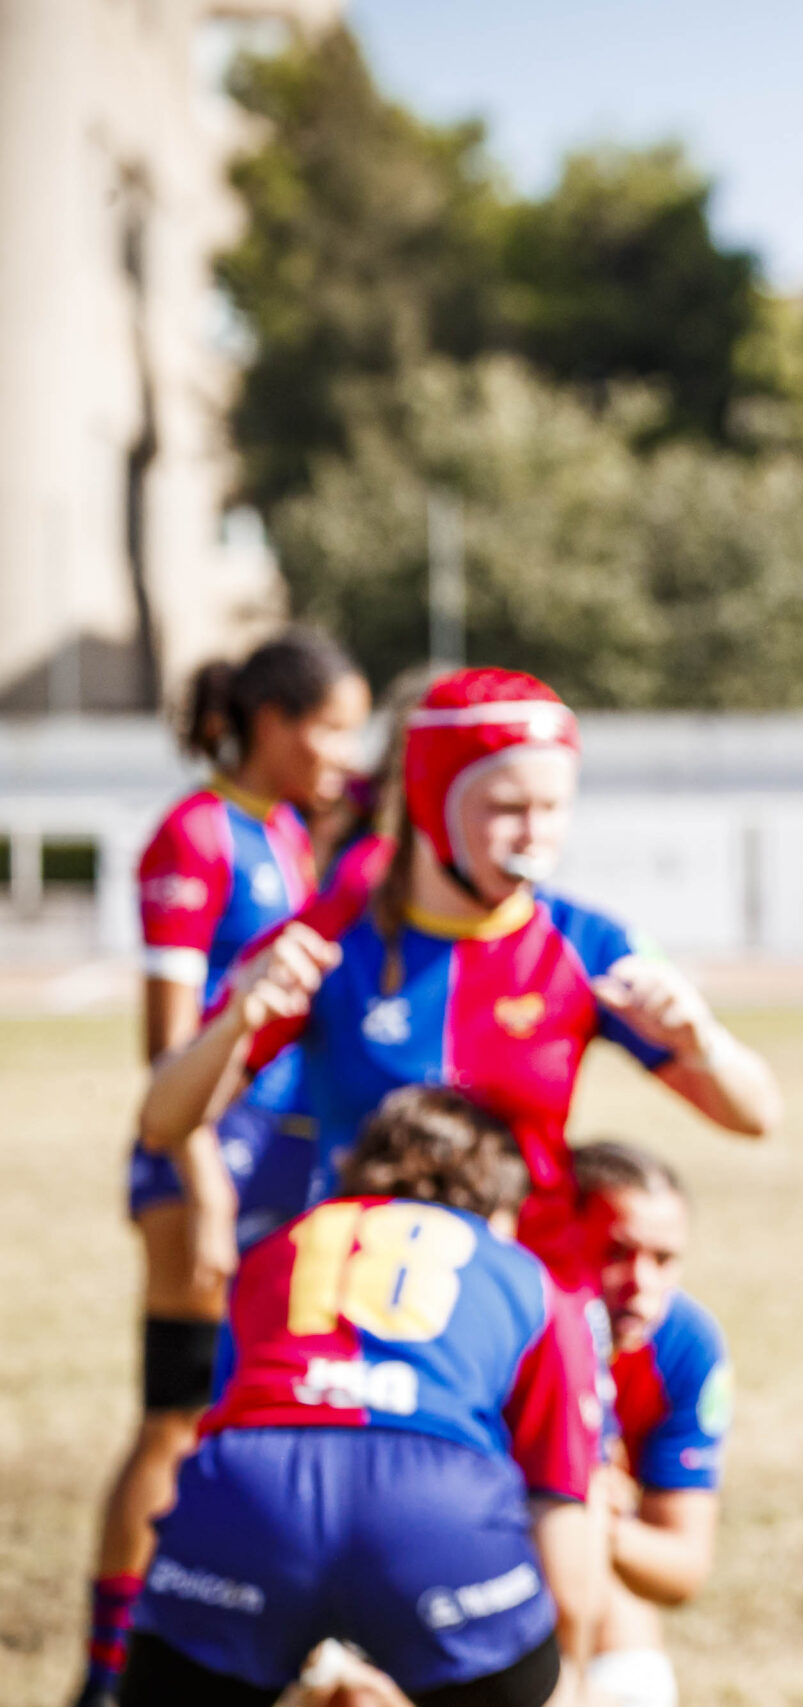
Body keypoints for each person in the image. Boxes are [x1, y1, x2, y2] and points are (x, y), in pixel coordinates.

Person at [138, 665, 782, 1291]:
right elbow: (162, 1122)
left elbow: (758, 1117)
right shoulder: (328, 942)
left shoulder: (588, 946)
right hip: (366, 1305)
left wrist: (703, 1044)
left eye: (553, 807)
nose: (535, 836)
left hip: (531, 1299)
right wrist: (235, 1023)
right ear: (432, 803)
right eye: (506, 807)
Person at [76, 630, 371, 1707]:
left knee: (258, 1414)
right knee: (176, 1414)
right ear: (274, 723)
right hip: (199, 1160)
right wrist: (202, 1182)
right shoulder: (194, 834)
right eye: (332, 728)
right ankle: (108, 1673)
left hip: (286, 1166)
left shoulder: (290, 828)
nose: (346, 753)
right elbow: (166, 1047)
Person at [120, 1086, 601, 1707]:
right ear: (500, 1202)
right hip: (435, 1502)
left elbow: (230, 1414)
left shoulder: (278, 1247)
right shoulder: (527, 1276)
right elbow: (558, 1504)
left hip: (253, 1488)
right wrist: (568, 1671)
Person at [572, 1143, 730, 1707]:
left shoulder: (685, 1343)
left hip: (584, 1547)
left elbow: (683, 1568)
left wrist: (595, 1516)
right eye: (615, 1252)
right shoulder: (511, 1321)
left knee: (639, 1685)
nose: (640, 1280)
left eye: (663, 1259)